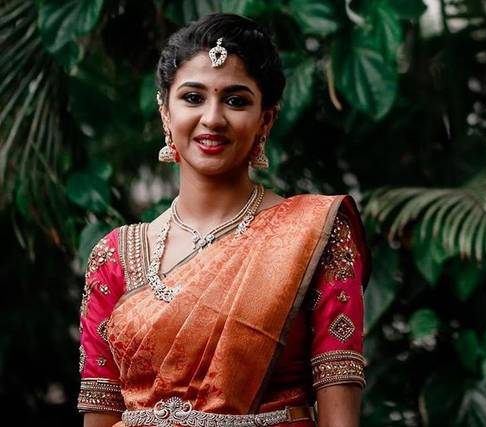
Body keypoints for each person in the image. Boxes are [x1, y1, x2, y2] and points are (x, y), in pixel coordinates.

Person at [77, 13, 371, 427]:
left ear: (265, 119)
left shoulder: (314, 234)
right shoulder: (114, 256)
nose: (212, 118)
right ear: (166, 113)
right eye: (193, 98)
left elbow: (340, 415)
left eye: (235, 100)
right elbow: (101, 416)